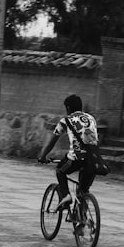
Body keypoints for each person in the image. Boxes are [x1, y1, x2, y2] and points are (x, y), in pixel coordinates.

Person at [37, 94, 98, 223]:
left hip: (77, 157)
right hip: (93, 159)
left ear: (68, 108)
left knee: (60, 170)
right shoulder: (91, 118)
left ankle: (65, 196)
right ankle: (81, 220)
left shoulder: (66, 120)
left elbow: (52, 141)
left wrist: (43, 156)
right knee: (83, 190)